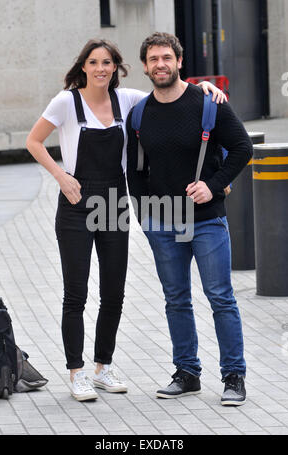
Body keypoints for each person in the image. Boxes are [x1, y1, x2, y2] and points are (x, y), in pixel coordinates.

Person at [26, 38, 226, 402]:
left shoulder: (129, 100)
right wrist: (61, 177)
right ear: (83, 66)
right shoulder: (66, 102)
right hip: (77, 203)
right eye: (94, 63)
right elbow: (34, 142)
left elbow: (170, 90)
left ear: (116, 67)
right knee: (76, 294)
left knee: (114, 293)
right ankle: (76, 372)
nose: (101, 69)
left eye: (108, 63)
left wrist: (203, 87)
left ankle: (103, 366)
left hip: (115, 201)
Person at [127, 32, 253, 406]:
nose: (160, 64)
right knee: (176, 299)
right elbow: (135, 171)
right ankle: (187, 373)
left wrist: (214, 186)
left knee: (220, 297)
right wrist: (146, 214)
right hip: (162, 223)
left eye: (167, 57)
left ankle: (233, 376)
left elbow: (243, 147)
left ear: (179, 61)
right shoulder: (139, 113)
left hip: (207, 220)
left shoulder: (208, 103)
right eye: (153, 59)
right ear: (146, 66)